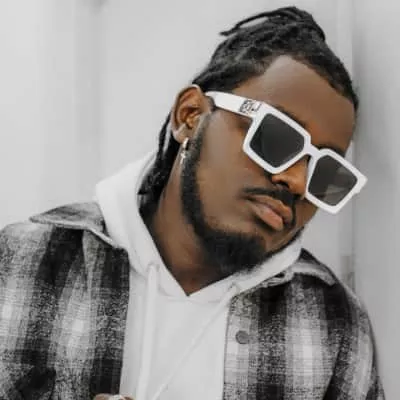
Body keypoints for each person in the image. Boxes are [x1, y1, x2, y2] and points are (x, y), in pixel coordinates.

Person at [0, 6, 384, 400]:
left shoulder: (334, 325)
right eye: (277, 138)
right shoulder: (18, 265)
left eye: (326, 172)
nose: (298, 182)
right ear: (190, 116)